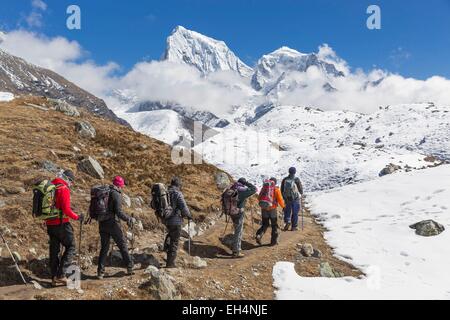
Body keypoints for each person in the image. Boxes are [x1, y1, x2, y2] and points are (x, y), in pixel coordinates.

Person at [46, 169, 84, 287]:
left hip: (50, 224)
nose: (71, 184)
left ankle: (53, 277)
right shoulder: (63, 188)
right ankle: (61, 275)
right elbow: (66, 210)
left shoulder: (52, 186)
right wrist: (77, 217)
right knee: (71, 247)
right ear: (68, 179)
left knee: (54, 250)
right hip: (62, 224)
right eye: (71, 181)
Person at [97, 176, 136, 279]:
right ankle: (130, 267)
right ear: (118, 186)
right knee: (122, 244)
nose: (122, 188)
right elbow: (118, 212)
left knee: (104, 248)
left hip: (102, 223)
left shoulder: (105, 192)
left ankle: (100, 272)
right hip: (113, 224)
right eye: (121, 186)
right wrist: (128, 219)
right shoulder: (116, 194)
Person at [164, 176, 193, 268]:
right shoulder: (177, 193)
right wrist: (189, 216)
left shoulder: (165, 192)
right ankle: (170, 263)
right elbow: (184, 208)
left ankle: (166, 250)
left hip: (166, 219)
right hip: (175, 221)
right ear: (178, 185)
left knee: (171, 235)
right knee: (174, 241)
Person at [231, 178, 257, 258]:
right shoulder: (242, 191)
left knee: (236, 229)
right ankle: (236, 251)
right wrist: (247, 183)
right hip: (239, 212)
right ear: (243, 183)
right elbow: (254, 189)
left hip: (231, 212)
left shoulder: (233, 188)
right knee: (238, 231)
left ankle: (235, 247)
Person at [256, 177, 285, 246]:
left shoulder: (264, 188)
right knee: (274, 225)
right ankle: (273, 242)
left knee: (265, 224)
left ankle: (259, 235)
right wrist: (283, 207)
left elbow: (259, 197)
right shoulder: (276, 189)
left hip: (264, 209)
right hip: (272, 209)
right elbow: (280, 200)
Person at [281, 167, 304, 231]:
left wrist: (284, 197)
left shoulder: (285, 179)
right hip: (295, 198)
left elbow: (282, 189)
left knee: (287, 211)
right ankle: (294, 226)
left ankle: (287, 221)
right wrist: (301, 193)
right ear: (295, 172)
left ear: (289, 172)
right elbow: (300, 188)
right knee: (295, 212)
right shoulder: (296, 179)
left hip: (287, 198)